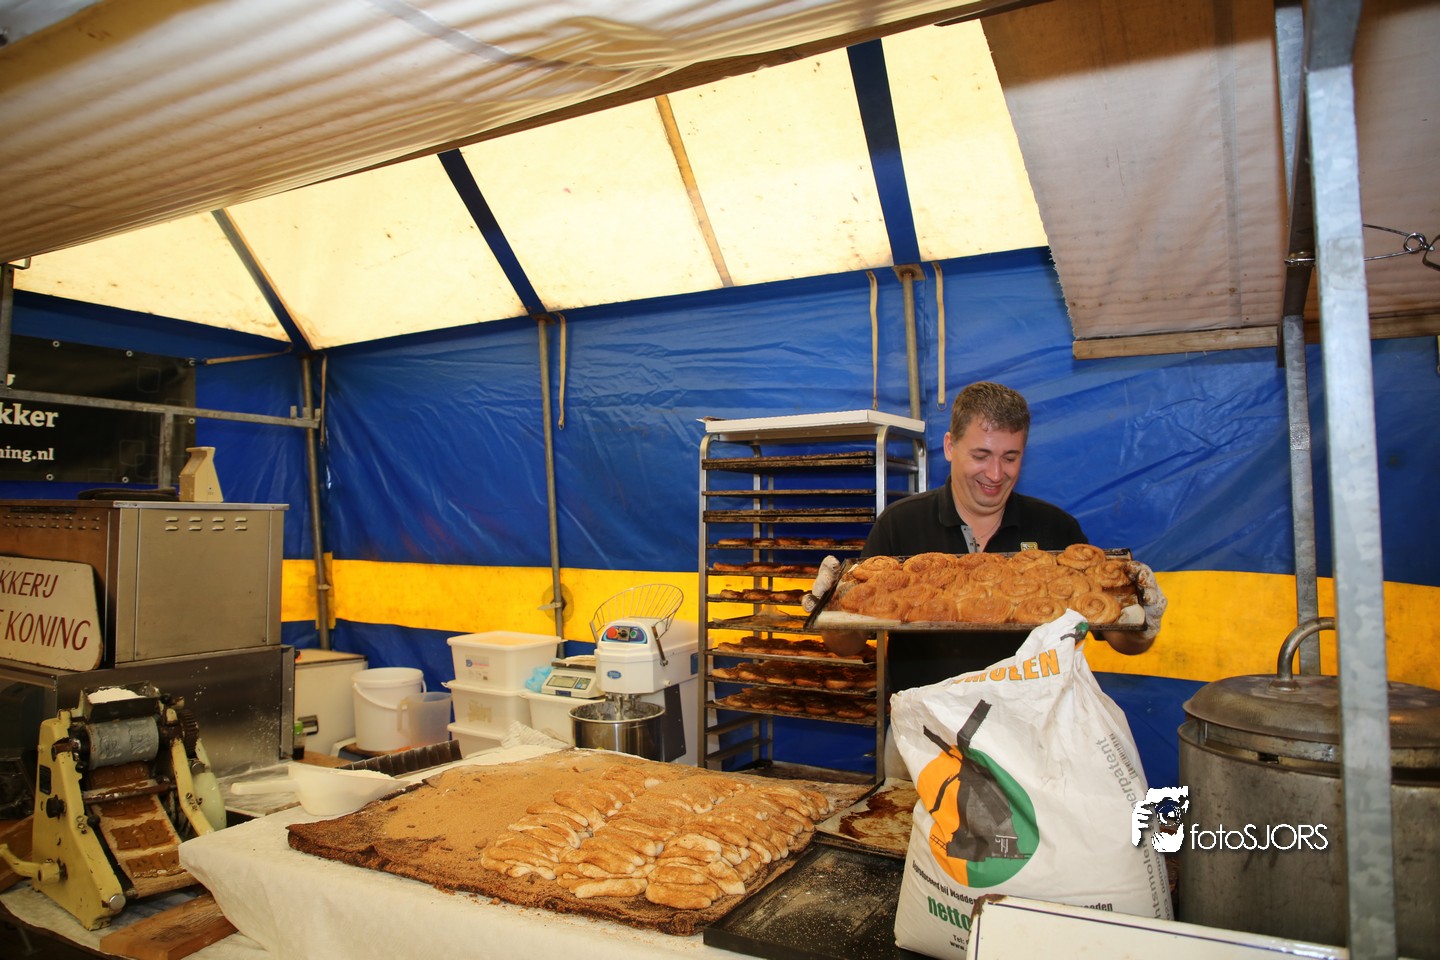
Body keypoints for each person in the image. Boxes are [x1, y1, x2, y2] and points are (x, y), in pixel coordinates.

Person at [811, 381, 1167, 694]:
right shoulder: (900, 524)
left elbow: (1122, 639)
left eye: (1010, 458)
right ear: (950, 447)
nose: (996, 474)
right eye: (981, 456)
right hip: (927, 729)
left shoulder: (1057, 530)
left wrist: (1144, 622)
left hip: (1032, 730)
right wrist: (829, 609)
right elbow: (848, 644)